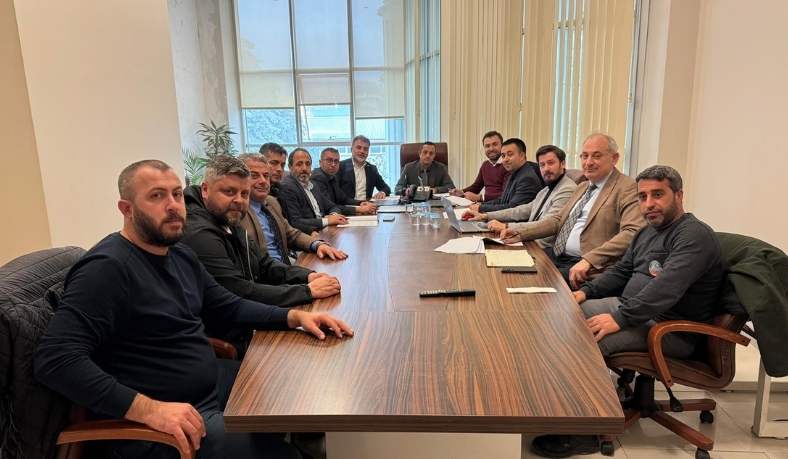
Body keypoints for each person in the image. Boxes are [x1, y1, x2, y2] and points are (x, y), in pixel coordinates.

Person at [34, 159, 353, 459]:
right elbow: (55, 359)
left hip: (209, 386)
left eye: (176, 194)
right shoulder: (106, 268)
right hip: (164, 422)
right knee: (281, 453)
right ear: (126, 209)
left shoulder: (178, 254)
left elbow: (228, 305)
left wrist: (294, 317)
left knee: (293, 388)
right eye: (157, 196)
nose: (173, 205)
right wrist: (151, 410)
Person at [529, 165, 724, 458]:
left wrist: (619, 319)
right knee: (558, 314)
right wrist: (585, 292)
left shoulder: (693, 236)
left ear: (679, 195)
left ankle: (587, 431)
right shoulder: (647, 232)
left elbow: (666, 289)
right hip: (634, 311)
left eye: (658, 195)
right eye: (643, 197)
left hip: (670, 328)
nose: (649, 204)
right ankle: (559, 404)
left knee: (584, 338)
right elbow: (621, 271)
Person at [182, 155, 341, 324]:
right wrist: (306, 291)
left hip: (253, 310)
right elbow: (238, 291)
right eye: (229, 192)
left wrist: (308, 276)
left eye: (244, 193)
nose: (239, 200)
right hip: (232, 326)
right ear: (205, 190)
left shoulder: (226, 216)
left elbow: (263, 263)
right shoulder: (200, 233)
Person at [501, 133, 645, 288]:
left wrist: (590, 259)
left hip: (587, 266)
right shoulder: (582, 186)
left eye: (596, 156)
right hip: (557, 256)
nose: (588, 162)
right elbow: (557, 221)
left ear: (614, 158)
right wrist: (519, 232)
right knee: (505, 267)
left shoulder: (627, 188)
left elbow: (632, 232)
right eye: (584, 156)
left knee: (523, 283)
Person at [238, 153, 347, 263]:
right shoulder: (237, 210)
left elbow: (291, 234)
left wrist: (317, 244)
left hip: (285, 265)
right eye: (254, 176)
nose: (263, 181)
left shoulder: (272, 202)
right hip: (268, 270)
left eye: (266, 176)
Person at [467, 145, 577, 247]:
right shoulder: (546, 189)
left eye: (551, 163)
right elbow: (523, 210)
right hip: (527, 239)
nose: (546, 169)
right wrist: (486, 216)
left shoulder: (567, 189)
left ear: (563, 164)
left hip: (541, 248)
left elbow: (548, 225)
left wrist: (507, 227)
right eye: (542, 165)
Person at [279, 148, 349, 234]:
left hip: (326, 230)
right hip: (310, 234)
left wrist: (333, 216)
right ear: (290, 167)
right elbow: (295, 222)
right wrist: (327, 220)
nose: (304, 168)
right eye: (299, 164)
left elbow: (332, 206)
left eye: (308, 164)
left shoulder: (313, 185)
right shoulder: (288, 187)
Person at [465, 137, 542, 214]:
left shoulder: (527, 178)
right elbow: (502, 200)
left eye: (510, 154)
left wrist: (481, 208)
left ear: (522, 156)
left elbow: (512, 208)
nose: (505, 159)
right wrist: (481, 205)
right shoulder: (515, 172)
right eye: (503, 156)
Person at [311, 147, 376, 216]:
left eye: (336, 161)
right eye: (329, 160)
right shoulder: (318, 178)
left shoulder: (333, 176)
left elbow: (344, 199)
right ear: (320, 162)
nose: (333, 164)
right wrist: (359, 209)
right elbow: (329, 206)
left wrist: (360, 203)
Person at [451, 130, 510, 202]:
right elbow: (476, 186)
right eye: (487, 146)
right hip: (486, 204)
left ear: (502, 146)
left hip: (499, 205)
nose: (491, 149)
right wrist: (461, 192)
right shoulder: (485, 165)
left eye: (495, 144)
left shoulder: (508, 165)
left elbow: (506, 194)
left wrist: (481, 198)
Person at [338, 135, 391, 200]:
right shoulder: (341, 166)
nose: (362, 151)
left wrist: (382, 192)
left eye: (365, 149)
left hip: (367, 205)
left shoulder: (372, 169)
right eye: (359, 147)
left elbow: (386, 188)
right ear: (351, 149)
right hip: (347, 205)